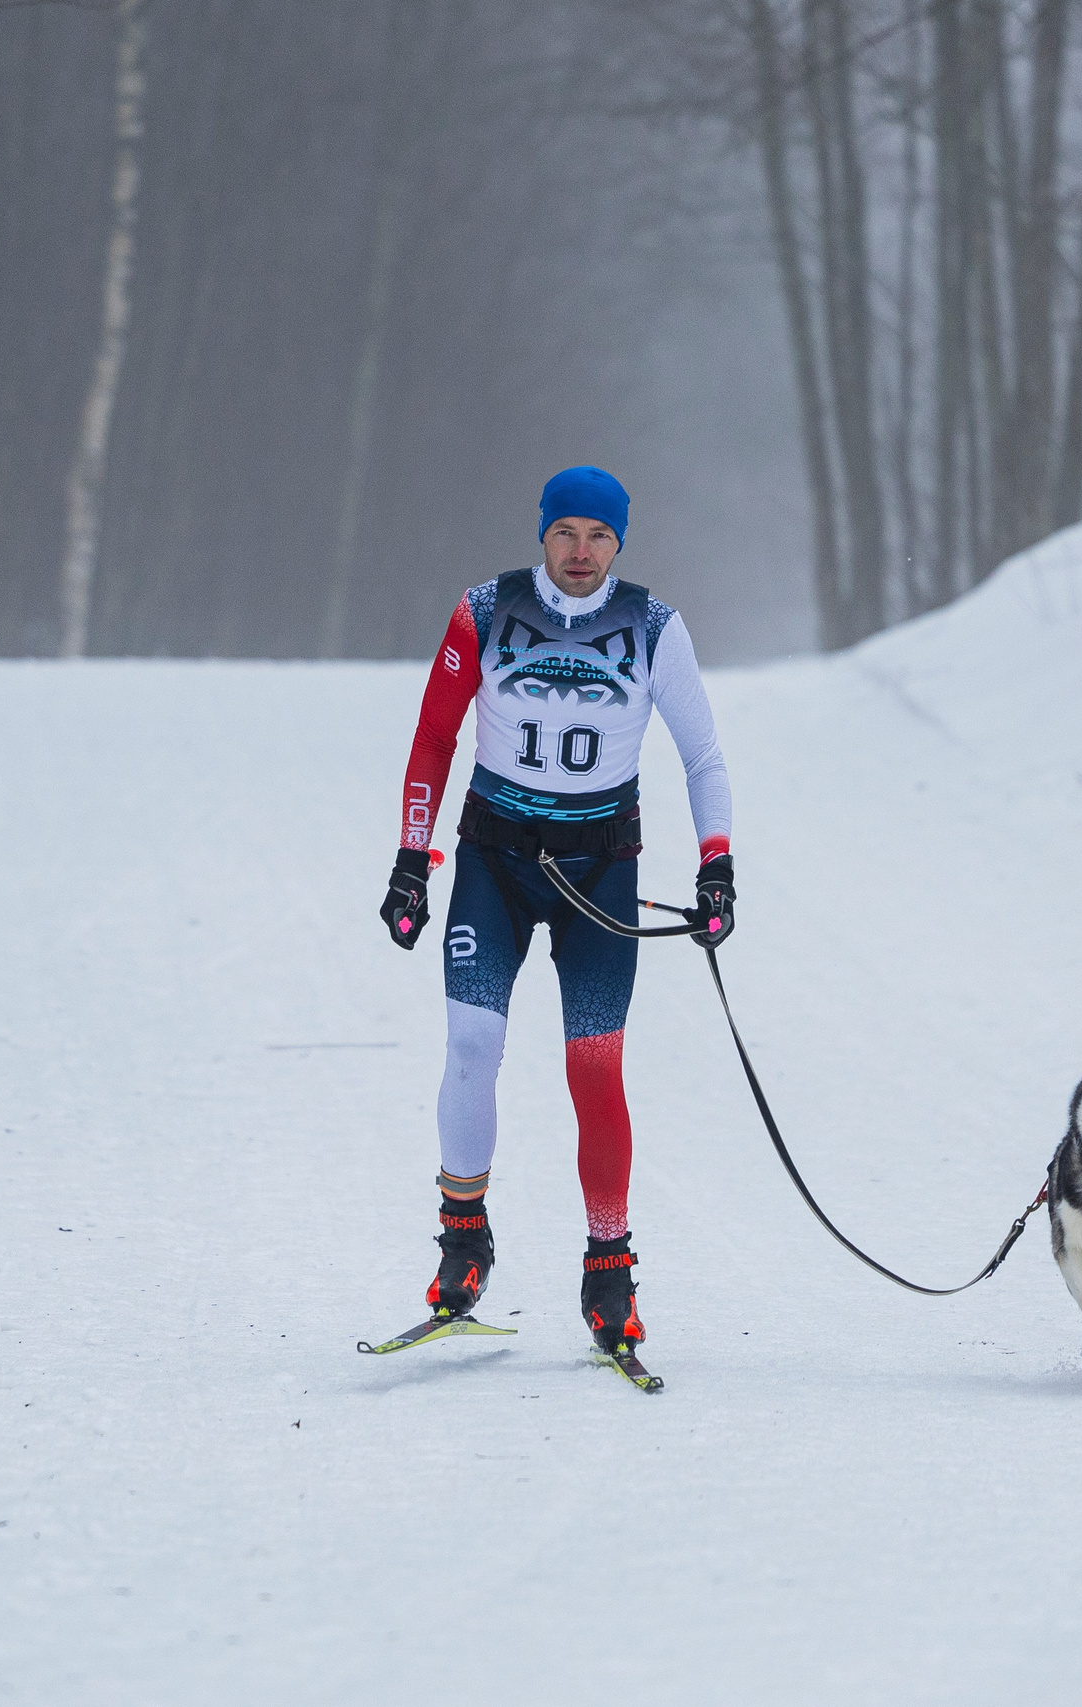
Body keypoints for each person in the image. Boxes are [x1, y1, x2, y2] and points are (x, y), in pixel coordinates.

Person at [377, 465, 735, 1369]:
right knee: (469, 1044)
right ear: (543, 533)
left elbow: (702, 756)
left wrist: (717, 863)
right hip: (495, 866)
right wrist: (412, 859)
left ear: (621, 543)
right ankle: (465, 1242)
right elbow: (433, 737)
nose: (581, 553)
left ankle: (608, 1268)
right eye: (567, 532)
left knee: (595, 1066)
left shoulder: (655, 626)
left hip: (600, 876)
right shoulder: (483, 610)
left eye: (600, 537)